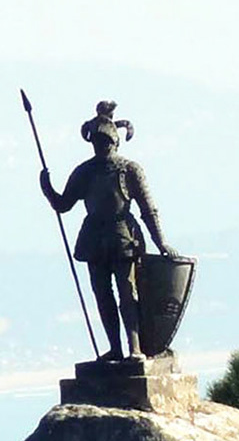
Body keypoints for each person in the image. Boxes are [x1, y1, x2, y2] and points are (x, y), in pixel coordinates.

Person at [40, 101, 172, 360]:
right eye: (97, 142)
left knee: (128, 293)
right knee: (102, 294)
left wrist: (161, 243)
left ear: (115, 142)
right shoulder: (84, 172)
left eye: (106, 142)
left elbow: (148, 210)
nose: (102, 147)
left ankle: (135, 347)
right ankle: (115, 348)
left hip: (123, 238)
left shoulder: (130, 170)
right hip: (94, 240)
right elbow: (64, 204)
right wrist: (48, 189)